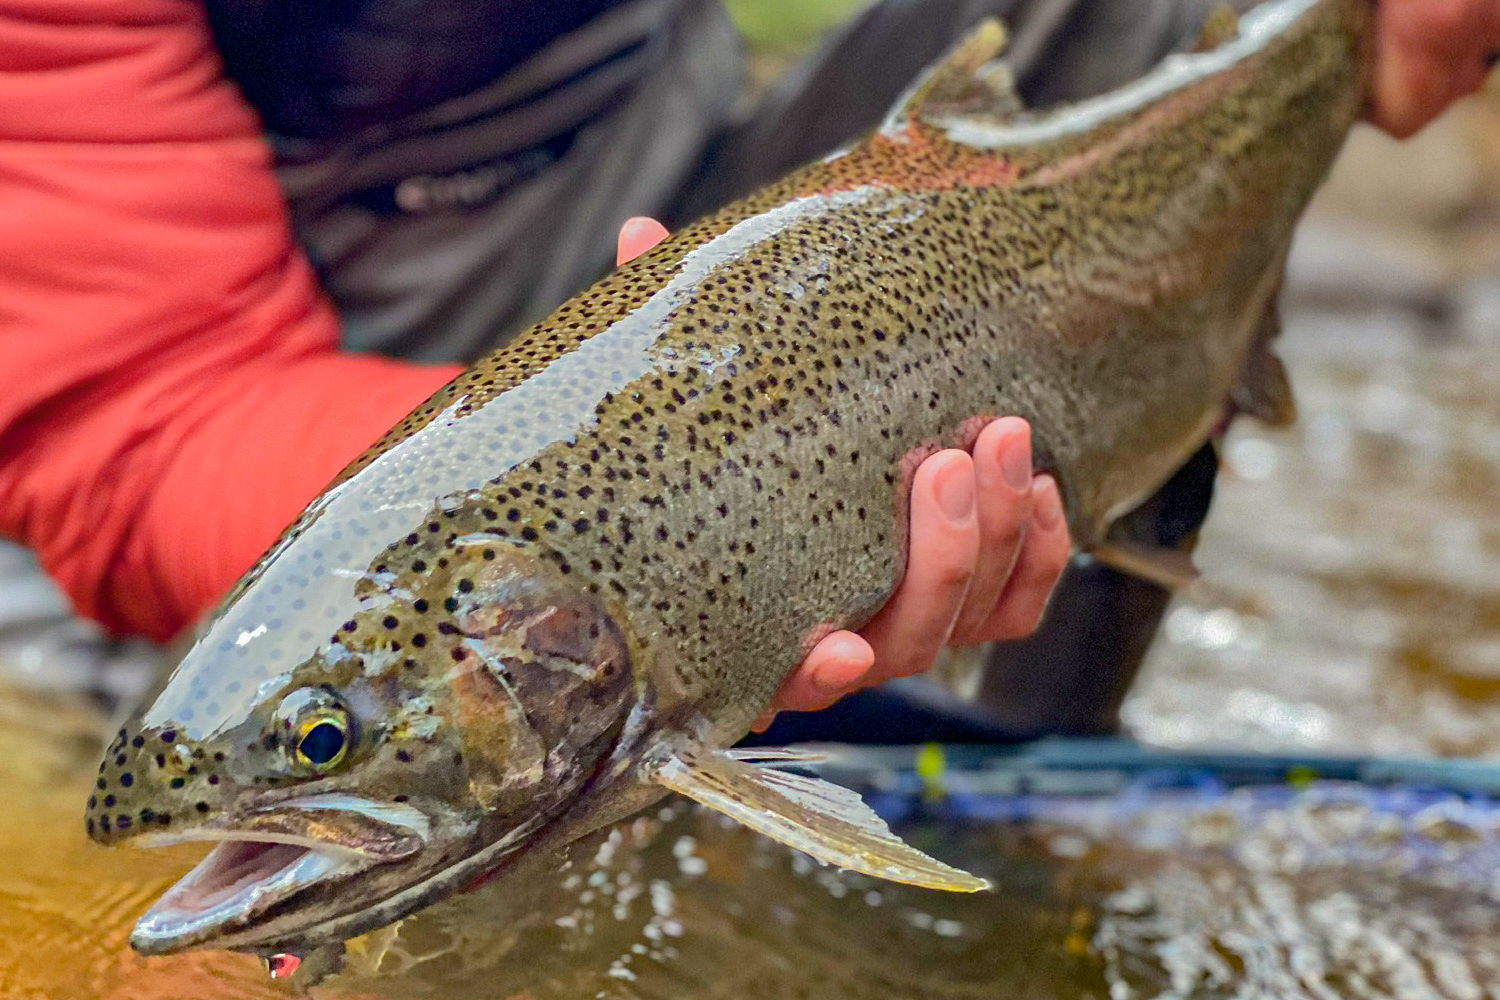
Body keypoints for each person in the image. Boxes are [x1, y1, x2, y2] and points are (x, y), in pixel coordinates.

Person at [0, 0, 1494, 733]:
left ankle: (988, 827)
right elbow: (148, 408)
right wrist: (641, 523)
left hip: (695, 214)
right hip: (315, 407)